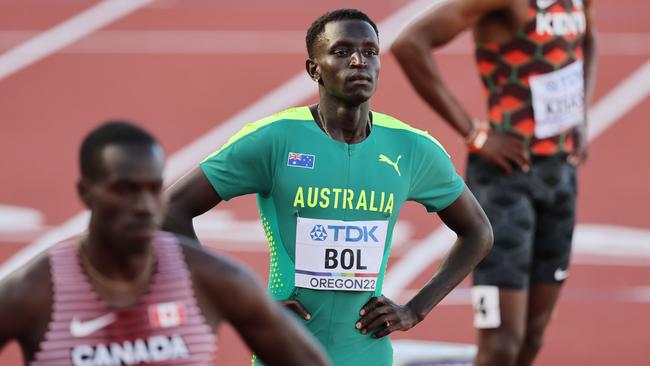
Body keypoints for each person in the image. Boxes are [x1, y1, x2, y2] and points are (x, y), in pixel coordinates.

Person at [163, 8, 492, 366]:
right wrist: (235, 299)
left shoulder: (412, 148)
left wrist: (416, 310)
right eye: (341, 51)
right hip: (286, 351)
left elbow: (478, 231)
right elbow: (170, 210)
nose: (358, 61)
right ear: (313, 69)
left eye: (370, 52)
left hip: (369, 352)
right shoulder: (274, 140)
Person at [0, 121, 330, 366]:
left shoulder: (210, 280)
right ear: (86, 192)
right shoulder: (33, 293)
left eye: (152, 189)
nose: (144, 205)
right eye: (125, 190)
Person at [391, 0, 596, 365]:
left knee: (533, 336)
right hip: (505, 183)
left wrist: (580, 114)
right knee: (502, 345)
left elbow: (588, 40)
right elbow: (409, 43)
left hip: (561, 177)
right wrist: (475, 134)